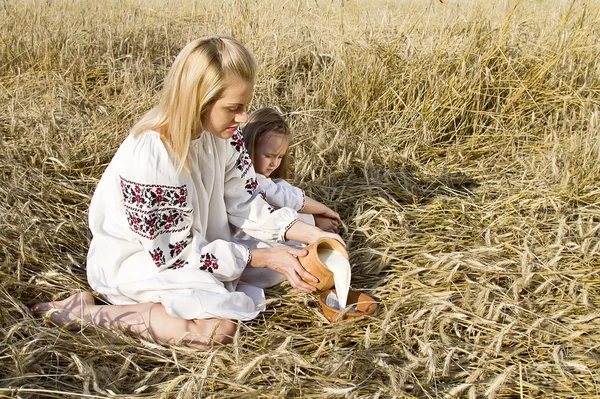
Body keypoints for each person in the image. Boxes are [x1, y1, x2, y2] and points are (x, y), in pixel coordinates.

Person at [31, 35, 343, 350]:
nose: (244, 118)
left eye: (245, 105)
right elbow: (175, 255)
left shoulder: (225, 135)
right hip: (148, 259)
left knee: (295, 244)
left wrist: (306, 233)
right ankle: (87, 314)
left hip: (200, 242)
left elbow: (245, 199)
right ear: (197, 99)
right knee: (213, 331)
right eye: (233, 108)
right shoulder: (153, 155)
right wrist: (261, 258)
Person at [241, 107, 341, 233]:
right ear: (250, 146)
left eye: (280, 157)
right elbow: (287, 198)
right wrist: (321, 213)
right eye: (268, 156)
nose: (275, 163)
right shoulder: (250, 180)